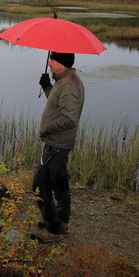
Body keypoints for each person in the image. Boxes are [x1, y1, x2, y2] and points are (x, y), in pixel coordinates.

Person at [31, 51, 84, 243]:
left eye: (52, 60)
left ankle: (53, 230)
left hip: (57, 143)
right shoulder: (66, 80)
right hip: (60, 142)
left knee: (39, 185)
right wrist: (47, 87)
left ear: (61, 63)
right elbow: (58, 106)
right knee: (59, 181)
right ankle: (62, 222)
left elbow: (70, 118)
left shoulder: (68, 85)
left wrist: (46, 128)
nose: (49, 63)